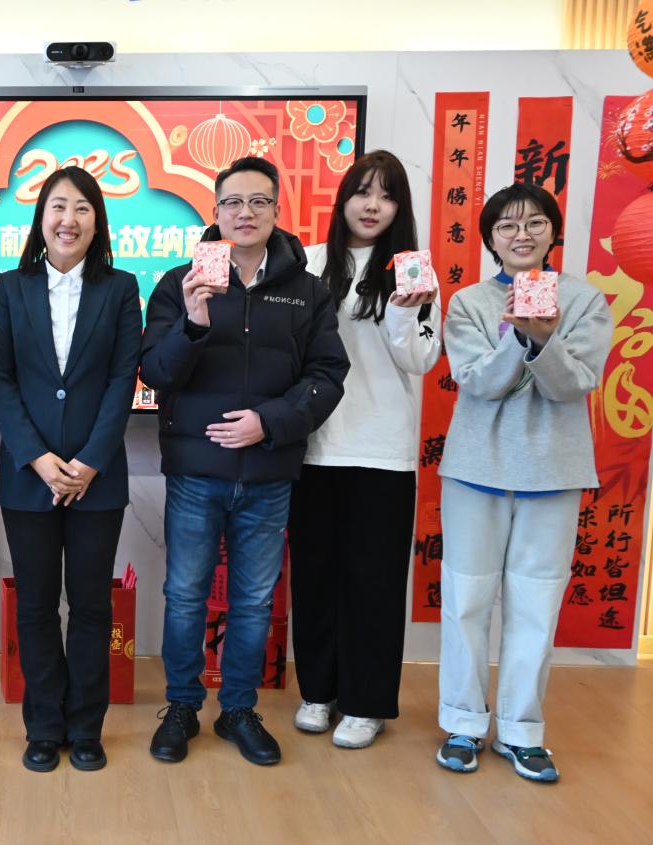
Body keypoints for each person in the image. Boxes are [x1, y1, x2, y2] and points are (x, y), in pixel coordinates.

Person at [140, 156, 348, 767]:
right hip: (195, 471)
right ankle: (182, 706)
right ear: (215, 211)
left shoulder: (306, 290)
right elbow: (155, 372)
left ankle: (237, 709)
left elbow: (328, 374)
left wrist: (270, 422)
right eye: (233, 202)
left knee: (254, 601)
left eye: (259, 201)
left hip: (268, 471)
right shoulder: (180, 282)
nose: (245, 212)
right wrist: (193, 322)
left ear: (277, 210)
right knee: (185, 594)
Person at [434, 184, 612, 783]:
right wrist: (519, 334)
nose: (522, 235)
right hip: (475, 470)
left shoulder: (584, 301)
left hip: (553, 473)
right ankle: (463, 723)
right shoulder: (469, 302)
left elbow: (572, 384)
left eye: (535, 223)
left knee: (536, 604)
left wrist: (545, 335)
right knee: (466, 599)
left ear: (553, 232)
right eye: (507, 226)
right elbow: (479, 383)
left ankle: (521, 731)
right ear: (491, 238)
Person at [0, 167, 142, 773]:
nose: (68, 219)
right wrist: (38, 457)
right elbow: (0, 380)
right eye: (57, 207)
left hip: (96, 481)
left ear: (97, 221)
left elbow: (122, 379)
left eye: (81, 208)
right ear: (40, 218)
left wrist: (90, 462)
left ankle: (86, 727)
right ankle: (44, 726)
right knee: (35, 606)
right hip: (28, 477)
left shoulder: (121, 288)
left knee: (92, 606)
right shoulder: (9, 287)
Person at [287, 150, 442, 749]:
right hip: (315, 445)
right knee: (315, 576)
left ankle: (366, 703)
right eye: (362, 191)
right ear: (344, 199)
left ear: (400, 208)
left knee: (373, 583)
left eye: (387, 195)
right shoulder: (308, 262)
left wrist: (403, 312)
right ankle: (318, 692)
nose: (372, 205)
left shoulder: (413, 271)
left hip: (382, 451)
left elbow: (420, 359)